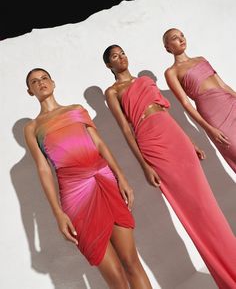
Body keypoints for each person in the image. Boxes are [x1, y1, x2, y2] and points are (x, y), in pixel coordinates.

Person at [102, 44, 236, 288]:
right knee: (193, 210)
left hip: (174, 135)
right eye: (114, 56)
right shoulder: (112, 92)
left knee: (208, 203)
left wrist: (190, 141)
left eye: (123, 53)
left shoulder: (144, 80)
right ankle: (227, 274)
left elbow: (167, 113)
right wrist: (144, 166)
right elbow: (125, 129)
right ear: (108, 65)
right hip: (151, 143)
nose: (121, 58)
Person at [24, 68, 153, 289]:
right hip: (76, 198)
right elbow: (43, 170)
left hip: (104, 182)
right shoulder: (33, 127)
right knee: (115, 277)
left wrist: (121, 177)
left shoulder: (76, 110)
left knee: (131, 263)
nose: (41, 83)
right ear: (30, 91)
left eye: (44, 78)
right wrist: (58, 214)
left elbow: (100, 144)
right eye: (35, 82)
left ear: (53, 82)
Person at [163, 27, 236, 174]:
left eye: (182, 35)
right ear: (167, 47)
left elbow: (222, 85)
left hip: (230, 103)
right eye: (175, 38)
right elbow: (185, 103)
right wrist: (208, 128)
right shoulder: (172, 72)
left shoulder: (201, 59)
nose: (181, 39)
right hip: (214, 116)